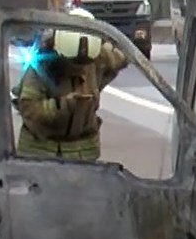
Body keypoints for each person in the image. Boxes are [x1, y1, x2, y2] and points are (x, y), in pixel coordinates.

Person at [14, 12, 130, 162]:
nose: (79, 68)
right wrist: (61, 106)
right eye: (73, 62)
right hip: (43, 157)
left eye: (84, 63)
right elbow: (29, 109)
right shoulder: (40, 64)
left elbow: (123, 56)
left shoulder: (98, 58)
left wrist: (113, 42)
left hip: (83, 156)